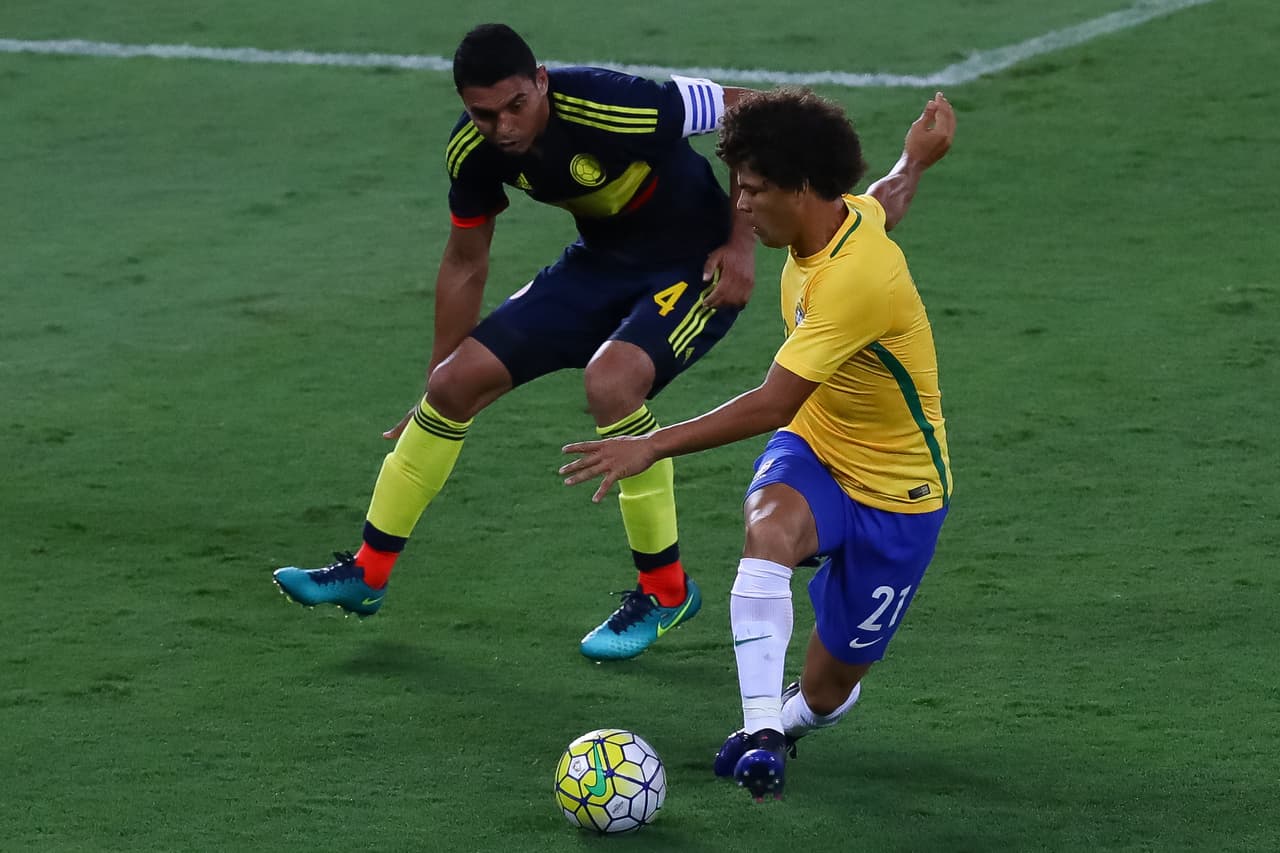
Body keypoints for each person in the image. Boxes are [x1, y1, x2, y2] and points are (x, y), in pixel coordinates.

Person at [272, 22, 761, 661]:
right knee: (452, 385)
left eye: (515, 106)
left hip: (694, 265)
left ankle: (666, 591)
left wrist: (742, 241)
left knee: (611, 383)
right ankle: (368, 571)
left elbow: (754, 111)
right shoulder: (471, 152)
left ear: (541, 83)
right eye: (483, 114)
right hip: (598, 263)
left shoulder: (617, 103)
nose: (502, 126)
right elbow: (465, 261)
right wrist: (438, 369)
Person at [560, 88, 956, 800]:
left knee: (830, 689)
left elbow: (772, 400)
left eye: (754, 189)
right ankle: (761, 733)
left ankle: (793, 721)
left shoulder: (856, 280)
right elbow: (883, 202)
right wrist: (916, 158)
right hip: (816, 446)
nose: (739, 205)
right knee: (768, 529)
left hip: (900, 492)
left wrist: (652, 447)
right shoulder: (835, 219)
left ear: (804, 190)